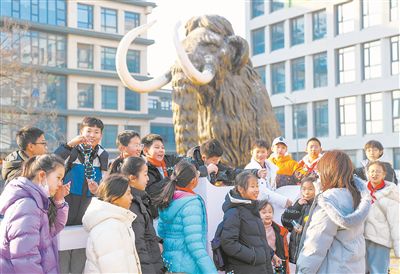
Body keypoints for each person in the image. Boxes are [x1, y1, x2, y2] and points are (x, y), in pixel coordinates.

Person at [296, 150, 371, 274]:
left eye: (319, 170)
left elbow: (315, 247)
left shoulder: (329, 201)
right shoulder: (356, 196)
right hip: (353, 267)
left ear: (328, 171)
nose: (318, 174)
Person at [55, 116, 109, 273]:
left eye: (96, 132)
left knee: (81, 243)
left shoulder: (103, 155)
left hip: (88, 204)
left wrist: (97, 191)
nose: (92, 135)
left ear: (101, 135)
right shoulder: (71, 150)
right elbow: (51, 162)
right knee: (63, 244)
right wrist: (70, 144)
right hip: (67, 201)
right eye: (88, 131)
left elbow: (105, 183)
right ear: (81, 132)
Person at [0, 154, 70, 273]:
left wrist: (59, 201)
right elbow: (25, 259)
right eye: (58, 178)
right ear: (42, 175)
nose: (60, 184)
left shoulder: (35, 202)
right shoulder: (27, 206)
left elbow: (50, 232)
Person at [154, 160, 217, 274]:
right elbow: (195, 244)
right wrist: (211, 271)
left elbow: (161, 232)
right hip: (188, 267)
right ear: (193, 181)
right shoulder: (191, 203)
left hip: (169, 264)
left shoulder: (167, 198)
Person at [83, 174, 142, 273]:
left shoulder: (115, 222)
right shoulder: (109, 228)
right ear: (114, 198)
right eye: (128, 194)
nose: (131, 197)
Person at [220, 171, 274, 274]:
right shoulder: (234, 212)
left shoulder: (252, 209)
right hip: (245, 269)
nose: (256, 190)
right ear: (241, 189)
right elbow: (228, 243)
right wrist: (253, 256)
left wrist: (270, 254)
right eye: (252, 187)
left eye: (257, 186)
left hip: (261, 268)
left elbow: (257, 239)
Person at [118, 156, 165, 274]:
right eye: (145, 174)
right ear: (132, 178)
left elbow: (146, 233)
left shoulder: (140, 200)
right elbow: (139, 245)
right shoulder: (132, 204)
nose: (148, 178)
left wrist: (156, 240)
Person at [364, 161, 399, 274]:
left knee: (378, 271)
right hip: (360, 238)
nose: (375, 174)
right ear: (367, 173)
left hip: (381, 239)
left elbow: (396, 221)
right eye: (372, 171)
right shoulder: (361, 190)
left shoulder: (392, 192)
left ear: (384, 174)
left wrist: (398, 245)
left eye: (378, 171)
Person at [187, 138, 265, 186]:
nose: (217, 163)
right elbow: (186, 176)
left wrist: (256, 172)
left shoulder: (216, 165)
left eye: (218, 160)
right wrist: (206, 170)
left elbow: (232, 173)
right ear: (204, 157)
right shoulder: (190, 161)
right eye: (214, 160)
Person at [141, 133, 182, 217]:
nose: (161, 150)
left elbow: (187, 161)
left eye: (162, 147)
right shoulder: (143, 166)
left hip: (170, 211)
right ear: (145, 150)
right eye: (157, 147)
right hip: (154, 214)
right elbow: (151, 190)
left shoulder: (168, 160)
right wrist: (171, 179)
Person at [245, 139, 292, 209]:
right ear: (252, 152)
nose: (260, 155)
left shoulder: (271, 167)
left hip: (270, 206)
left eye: (263, 152)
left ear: (267, 153)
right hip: (255, 207)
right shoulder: (249, 169)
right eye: (257, 152)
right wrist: (283, 200)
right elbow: (261, 192)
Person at [281, 176, 316, 264]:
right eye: (303, 189)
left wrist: (303, 229)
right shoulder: (299, 203)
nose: (306, 192)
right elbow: (285, 221)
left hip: (309, 251)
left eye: (310, 189)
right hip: (294, 250)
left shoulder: (317, 206)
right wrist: (297, 207)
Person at [259, 200, 290, 274]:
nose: (267, 215)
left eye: (270, 212)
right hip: (262, 263)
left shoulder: (280, 231)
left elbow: (285, 253)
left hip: (276, 262)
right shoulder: (255, 230)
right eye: (264, 212)